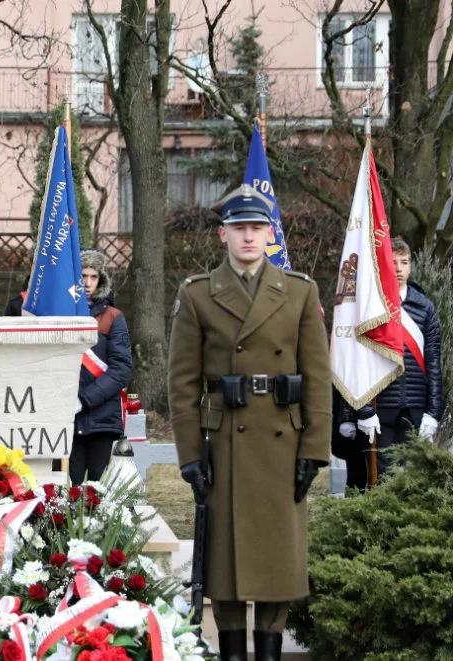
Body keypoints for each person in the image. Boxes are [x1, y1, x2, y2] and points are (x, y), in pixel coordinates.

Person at [168, 185, 331, 661]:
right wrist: (190, 457)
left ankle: (270, 653)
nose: (248, 237)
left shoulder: (300, 291)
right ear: (223, 235)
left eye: (257, 228)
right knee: (227, 564)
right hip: (225, 446)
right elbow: (183, 384)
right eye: (239, 228)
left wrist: (314, 450)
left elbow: (317, 377)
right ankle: (233, 653)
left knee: (277, 560)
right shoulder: (198, 294)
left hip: (283, 443)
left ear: (269, 235)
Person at [339, 236, 444, 489]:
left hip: (416, 407)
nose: (398, 268)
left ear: (411, 266)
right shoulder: (370, 307)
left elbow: (433, 363)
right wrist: (360, 411)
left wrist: (434, 412)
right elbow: (355, 361)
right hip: (380, 407)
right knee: (382, 479)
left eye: (404, 262)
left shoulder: (425, 308)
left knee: (413, 480)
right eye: (392, 261)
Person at [69, 250, 132, 485]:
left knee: (98, 491)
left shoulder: (114, 317)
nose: (87, 283)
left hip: (102, 418)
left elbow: (121, 370)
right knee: (66, 492)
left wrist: (84, 400)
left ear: (101, 279)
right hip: (67, 417)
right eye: (83, 275)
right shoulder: (60, 315)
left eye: (93, 277)